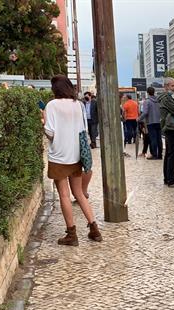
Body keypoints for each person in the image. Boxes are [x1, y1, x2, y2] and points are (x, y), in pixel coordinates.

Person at [43, 75, 102, 246]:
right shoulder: (79, 105)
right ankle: (94, 229)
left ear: (56, 89)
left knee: (64, 195)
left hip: (59, 156)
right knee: (79, 193)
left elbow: (51, 133)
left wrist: (43, 121)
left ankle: (71, 234)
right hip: (76, 155)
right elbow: (83, 129)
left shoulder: (52, 105)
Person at [158, 77, 174, 187]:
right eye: (172, 86)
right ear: (166, 86)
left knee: (169, 153)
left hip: (168, 127)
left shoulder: (164, 97)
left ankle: (167, 178)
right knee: (173, 154)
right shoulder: (167, 97)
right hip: (171, 127)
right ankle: (171, 180)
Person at [138, 86, 162, 159]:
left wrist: (139, 119)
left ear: (147, 93)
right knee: (159, 139)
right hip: (159, 122)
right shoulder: (158, 101)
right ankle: (160, 155)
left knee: (153, 139)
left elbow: (145, 112)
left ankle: (154, 155)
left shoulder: (147, 101)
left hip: (151, 123)